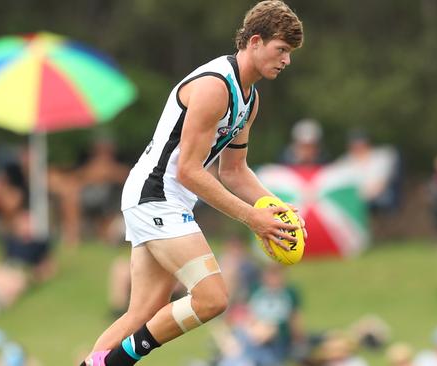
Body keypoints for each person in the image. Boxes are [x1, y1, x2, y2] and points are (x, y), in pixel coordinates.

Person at [80, 2, 305, 365]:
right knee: (212, 298)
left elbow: (234, 170)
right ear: (256, 42)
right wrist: (253, 219)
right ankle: (116, 362)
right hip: (156, 196)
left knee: (141, 314)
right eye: (282, 50)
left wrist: (275, 208)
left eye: (290, 54)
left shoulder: (249, 100)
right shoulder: (215, 86)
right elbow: (189, 171)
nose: (286, 61)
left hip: (165, 199)